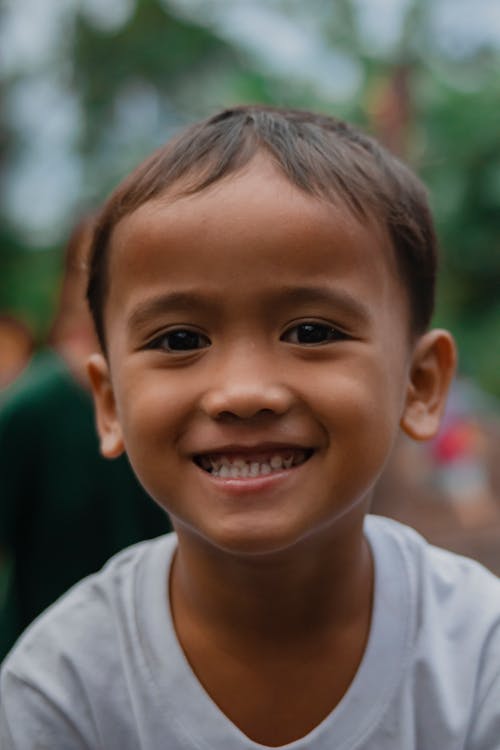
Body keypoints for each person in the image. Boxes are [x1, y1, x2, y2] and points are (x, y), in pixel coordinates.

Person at [1, 105, 499, 749]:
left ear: (421, 383)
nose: (242, 393)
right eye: (180, 338)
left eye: (311, 332)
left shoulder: (478, 656)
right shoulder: (62, 689)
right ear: (110, 403)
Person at [0, 218, 170, 660]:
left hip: (161, 664)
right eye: (92, 265)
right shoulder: (32, 407)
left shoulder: (182, 403)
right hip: (50, 669)